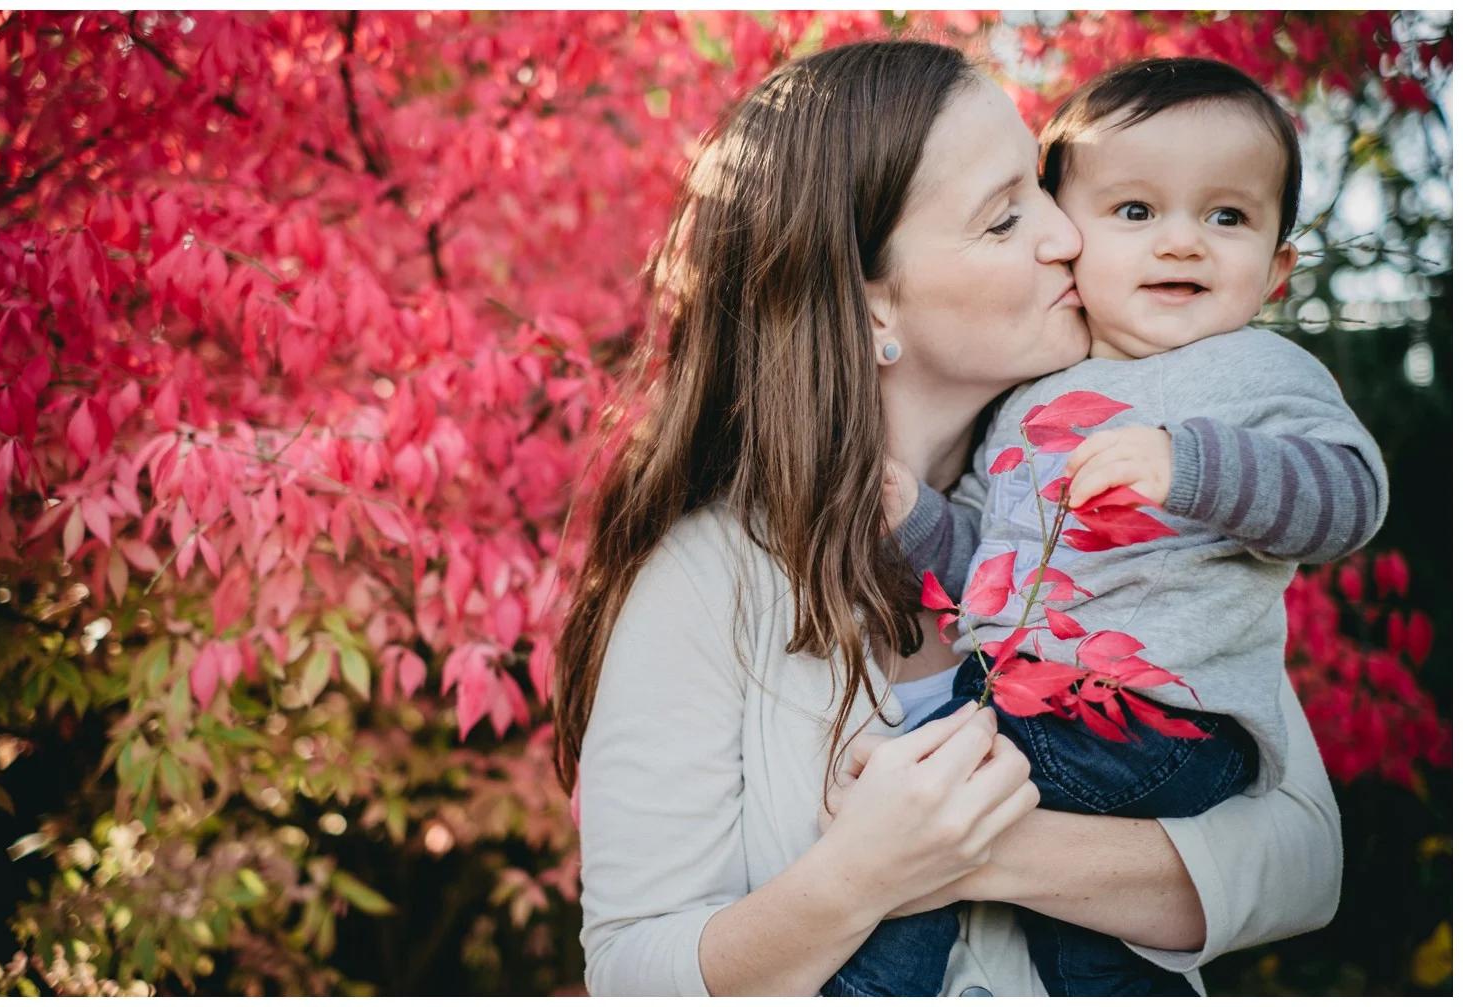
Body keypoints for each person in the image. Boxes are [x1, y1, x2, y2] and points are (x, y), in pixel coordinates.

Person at [556, 40, 1343, 997]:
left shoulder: (1124, 504)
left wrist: (981, 851)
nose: (1068, 236)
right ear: (870, 301)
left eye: (1046, 191)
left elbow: (1304, 860)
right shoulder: (705, 580)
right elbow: (634, 972)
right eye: (1007, 216)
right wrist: (862, 876)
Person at [829, 57, 1387, 998]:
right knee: (1090, 952)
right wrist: (914, 517)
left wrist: (1191, 467)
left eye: (1227, 217)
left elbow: (1349, 497)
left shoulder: (1260, 372)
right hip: (1053, 705)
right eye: (1135, 212)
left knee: (929, 802)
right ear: (1065, 235)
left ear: (1279, 268)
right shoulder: (1028, 400)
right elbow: (990, 568)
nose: (1182, 245)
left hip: (1167, 719)